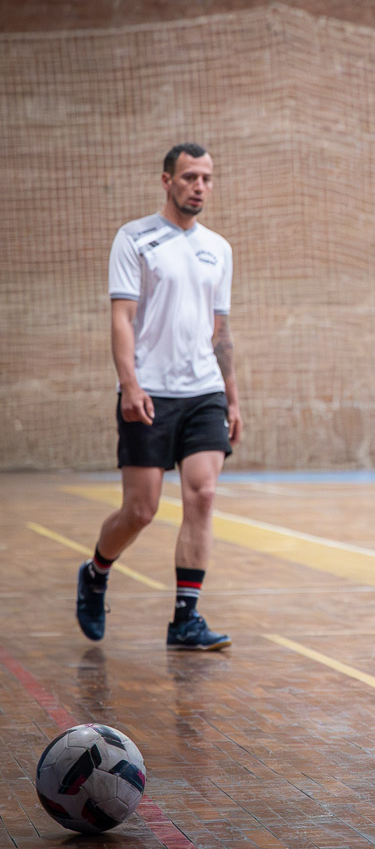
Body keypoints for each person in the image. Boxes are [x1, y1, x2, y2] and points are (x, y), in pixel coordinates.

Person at [77, 144, 240, 652]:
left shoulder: (219, 248)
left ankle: (185, 620)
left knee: (203, 495)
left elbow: (220, 331)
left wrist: (232, 398)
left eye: (207, 178)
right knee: (140, 510)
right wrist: (130, 384)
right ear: (167, 181)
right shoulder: (135, 238)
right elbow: (122, 318)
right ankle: (96, 571)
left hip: (204, 391)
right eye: (190, 177)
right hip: (150, 392)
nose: (199, 186)